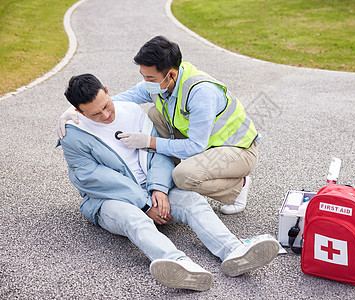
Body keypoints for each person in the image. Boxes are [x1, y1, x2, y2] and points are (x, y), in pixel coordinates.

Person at [57, 74, 279, 291]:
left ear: (107, 90)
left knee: (193, 201)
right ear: (78, 111)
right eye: (95, 114)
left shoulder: (132, 111)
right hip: (110, 200)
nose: (105, 115)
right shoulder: (73, 135)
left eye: (107, 105)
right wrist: (145, 204)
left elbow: (158, 153)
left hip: (152, 190)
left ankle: (234, 251)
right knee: (134, 219)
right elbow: (94, 178)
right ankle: (180, 265)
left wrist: (159, 189)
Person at [57, 36, 259, 215]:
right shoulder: (160, 82)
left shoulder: (201, 93)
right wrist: (77, 112)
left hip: (236, 149)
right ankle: (165, 172)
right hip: (208, 145)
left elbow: (195, 147)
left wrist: (150, 142)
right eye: (143, 76)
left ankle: (238, 187)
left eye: (149, 77)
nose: (145, 82)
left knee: (183, 176)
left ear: (170, 74)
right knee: (156, 114)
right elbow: (117, 100)